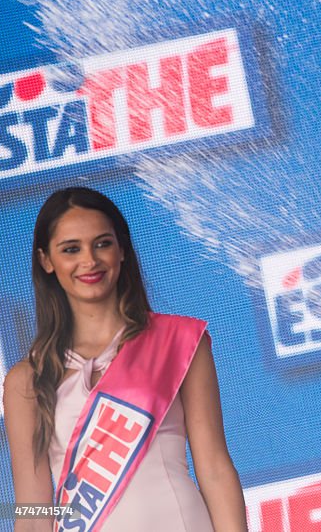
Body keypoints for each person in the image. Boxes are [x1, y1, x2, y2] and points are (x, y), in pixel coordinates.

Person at [2, 187, 247, 531]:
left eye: (102, 243)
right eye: (71, 249)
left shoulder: (178, 342)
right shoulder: (25, 380)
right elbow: (31, 507)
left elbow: (216, 469)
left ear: (122, 250)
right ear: (46, 261)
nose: (89, 260)